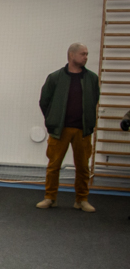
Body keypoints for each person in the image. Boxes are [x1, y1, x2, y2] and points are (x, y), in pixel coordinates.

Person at [37, 43, 100, 212]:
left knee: (83, 167)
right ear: (72, 55)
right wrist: (52, 119)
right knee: (53, 165)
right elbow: (44, 101)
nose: (86, 57)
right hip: (60, 130)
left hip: (83, 130)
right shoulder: (55, 78)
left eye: (87, 54)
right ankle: (50, 198)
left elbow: (94, 100)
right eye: (83, 54)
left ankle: (81, 200)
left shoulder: (92, 79)